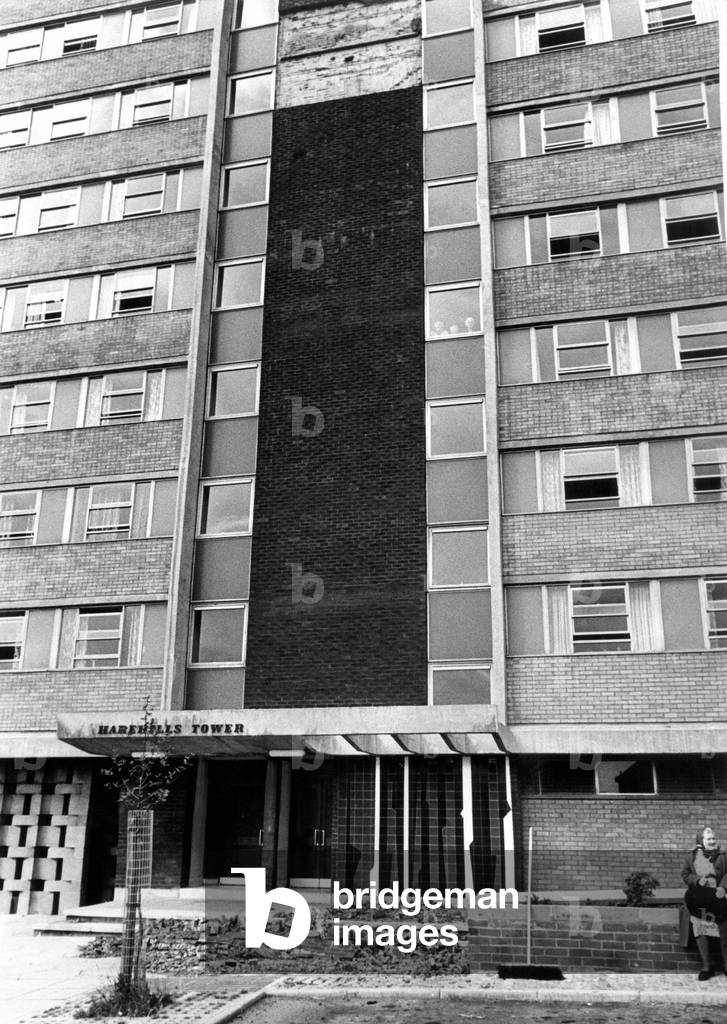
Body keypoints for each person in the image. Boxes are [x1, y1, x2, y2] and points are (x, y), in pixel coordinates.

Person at [680, 826, 727, 980]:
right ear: (701, 841)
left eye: (714, 838)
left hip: (720, 899)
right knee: (700, 929)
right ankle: (707, 966)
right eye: (709, 839)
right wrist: (698, 880)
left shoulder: (723, 855)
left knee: (725, 930)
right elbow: (685, 875)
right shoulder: (691, 857)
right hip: (699, 900)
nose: (712, 841)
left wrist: (723, 887)